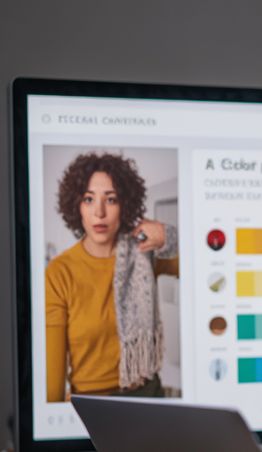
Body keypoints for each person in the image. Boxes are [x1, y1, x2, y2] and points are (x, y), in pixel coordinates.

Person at [45, 152, 178, 402]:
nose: (100, 212)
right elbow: (52, 381)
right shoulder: (59, 272)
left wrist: (167, 236)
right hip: (91, 405)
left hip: (149, 396)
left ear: (125, 205)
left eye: (111, 199)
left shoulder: (145, 252)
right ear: (76, 206)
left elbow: (208, 266)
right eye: (88, 199)